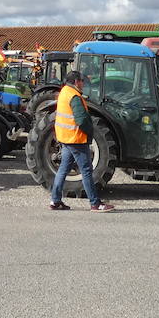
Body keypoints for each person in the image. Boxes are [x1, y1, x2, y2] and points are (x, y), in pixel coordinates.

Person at [49, 71, 113, 212]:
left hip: (65, 138)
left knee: (63, 169)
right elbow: (82, 119)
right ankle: (95, 203)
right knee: (86, 171)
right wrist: (89, 132)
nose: (83, 84)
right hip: (76, 139)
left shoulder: (64, 92)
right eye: (82, 81)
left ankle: (55, 200)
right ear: (77, 82)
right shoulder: (75, 97)